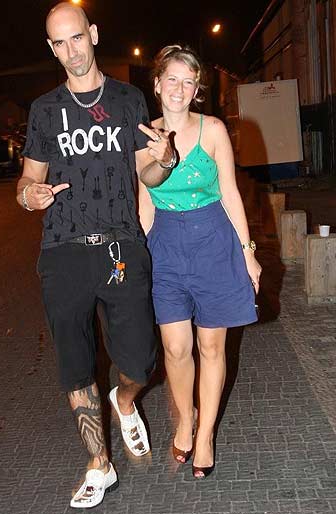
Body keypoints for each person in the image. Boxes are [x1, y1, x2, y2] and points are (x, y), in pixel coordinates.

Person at [16, 2, 157, 508]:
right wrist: (28, 196)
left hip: (121, 246)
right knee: (76, 366)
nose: (71, 51)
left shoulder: (128, 99)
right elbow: (27, 179)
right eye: (59, 43)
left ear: (93, 34)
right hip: (64, 252)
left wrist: (163, 161)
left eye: (76, 37)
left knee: (141, 361)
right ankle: (100, 464)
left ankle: (125, 401)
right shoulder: (43, 110)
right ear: (51, 48)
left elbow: (147, 172)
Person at [137, 45, 262, 479]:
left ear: (196, 90)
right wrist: (141, 257)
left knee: (211, 346)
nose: (179, 88)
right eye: (171, 79)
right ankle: (184, 418)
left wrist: (248, 254)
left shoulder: (214, 130)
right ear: (157, 84)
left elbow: (230, 193)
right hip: (165, 246)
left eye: (188, 81)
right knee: (175, 348)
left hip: (214, 244)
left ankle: (205, 433)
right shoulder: (144, 135)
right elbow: (144, 202)